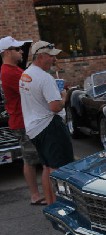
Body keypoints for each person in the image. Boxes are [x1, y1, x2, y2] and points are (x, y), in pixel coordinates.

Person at [19, 41, 74, 205]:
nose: (54, 60)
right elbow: (55, 107)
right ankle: (61, 205)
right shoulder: (45, 78)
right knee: (59, 169)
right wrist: (64, 96)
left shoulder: (26, 74)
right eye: (51, 57)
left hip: (34, 128)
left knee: (47, 167)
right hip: (50, 126)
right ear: (41, 56)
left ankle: (51, 204)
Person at [0, 36, 45, 205]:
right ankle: (35, 194)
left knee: (33, 157)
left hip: (27, 119)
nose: (20, 52)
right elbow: (31, 90)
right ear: (6, 52)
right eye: (17, 49)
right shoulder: (9, 72)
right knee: (30, 159)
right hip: (23, 121)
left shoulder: (14, 69)